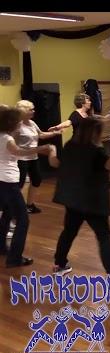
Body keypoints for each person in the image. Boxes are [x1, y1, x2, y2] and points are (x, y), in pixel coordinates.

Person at [47, 117, 110, 282]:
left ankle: (59, 265)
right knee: (104, 236)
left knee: (68, 232)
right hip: (91, 201)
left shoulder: (70, 146)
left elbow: (55, 163)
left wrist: (51, 150)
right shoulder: (95, 151)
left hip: (73, 199)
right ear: (95, 132)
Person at [0, 105, 53, 267]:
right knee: (23, 219)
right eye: (17, 121)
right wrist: (41, 148)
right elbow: (18, 152)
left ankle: (1, 246)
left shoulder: (2, 136)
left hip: (2, 181)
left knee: (7, 214)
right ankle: (14, 258)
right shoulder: (7, 139)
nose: (19, 123)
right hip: (8, 183)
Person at [15, 100, 62, 213]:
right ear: (23, 111)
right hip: (21, 159)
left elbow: (41, 134)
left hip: (33, 157)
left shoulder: (32, 123)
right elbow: (14, 146)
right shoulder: (17, 126)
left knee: (36, 179)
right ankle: (14, 207)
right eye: (31, 109)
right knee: (19, 184)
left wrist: (55, 133)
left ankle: (29, 205)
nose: (33, 111)